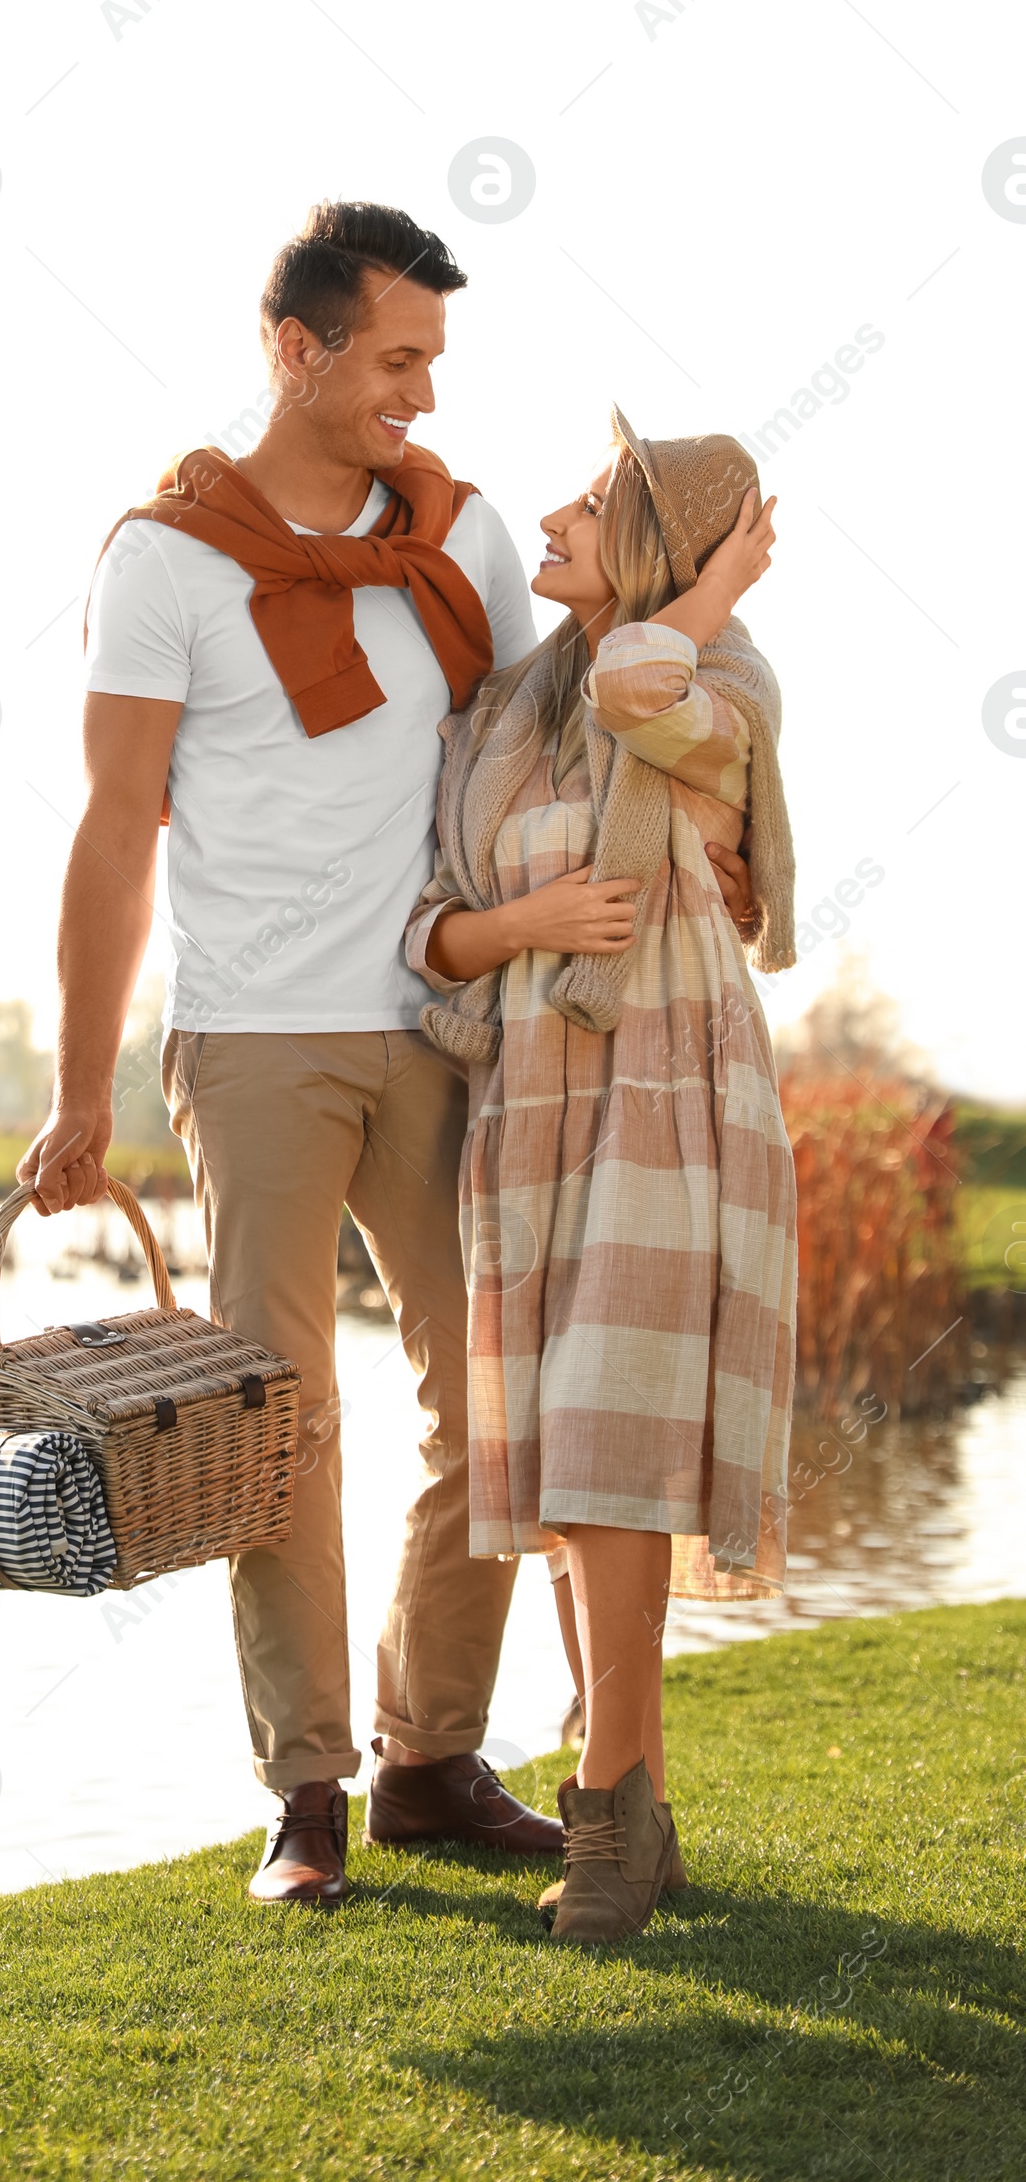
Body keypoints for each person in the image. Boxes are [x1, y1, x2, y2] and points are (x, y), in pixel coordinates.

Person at [20, 203, 751, 1908]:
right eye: (398, 358)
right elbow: (116, 828)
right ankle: (305, 1796)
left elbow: (591, 699)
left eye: (434, 359)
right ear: (301, 349)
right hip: (257, 1040)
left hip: (452, 1021)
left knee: (487, 1403)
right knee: (277, 1416)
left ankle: (430, 1754)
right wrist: (80, 1089)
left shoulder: (467, 538)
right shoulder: (164, 562)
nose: (423, 393)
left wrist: (711, 815)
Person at [406, 408, 796, 1943]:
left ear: (660, 547)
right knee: (575, 1474)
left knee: (610, 1442)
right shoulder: (502, 715)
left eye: (592, 503)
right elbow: (431, 926)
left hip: (667, 1085)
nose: (550, 516)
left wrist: (704, 596)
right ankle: (639, 1807)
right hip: (530, 1099)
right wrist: (526, 925)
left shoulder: (717, 679)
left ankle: (606, 1811)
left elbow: (651, 687)